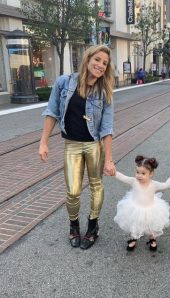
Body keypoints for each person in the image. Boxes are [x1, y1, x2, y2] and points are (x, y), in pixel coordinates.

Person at [39, 45, 116, 250]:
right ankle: (74, 226)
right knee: (73, 191)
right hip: (71, 145)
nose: (100, 65)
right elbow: (52, 111)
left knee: (95, 186)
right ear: (88, 58)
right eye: (97, 60)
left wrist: (108, 159)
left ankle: (92, 227)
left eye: (104, 63)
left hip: (94, 146)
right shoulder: (64, 82)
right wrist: (43, 142)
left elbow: (107, 128)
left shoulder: (104, 92)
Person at [113, 155, 170, 251]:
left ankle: (152, 239)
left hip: (150, 209)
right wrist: (113, 172)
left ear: (151, 174)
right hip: (135, 208)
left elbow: (166, 185)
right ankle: (133, 238)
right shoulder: (134, 181)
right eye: (137, 172)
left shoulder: (154, 184)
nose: (139, 175)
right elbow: (123, 177)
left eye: (143, 173)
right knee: (134, 224)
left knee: (151, 226)